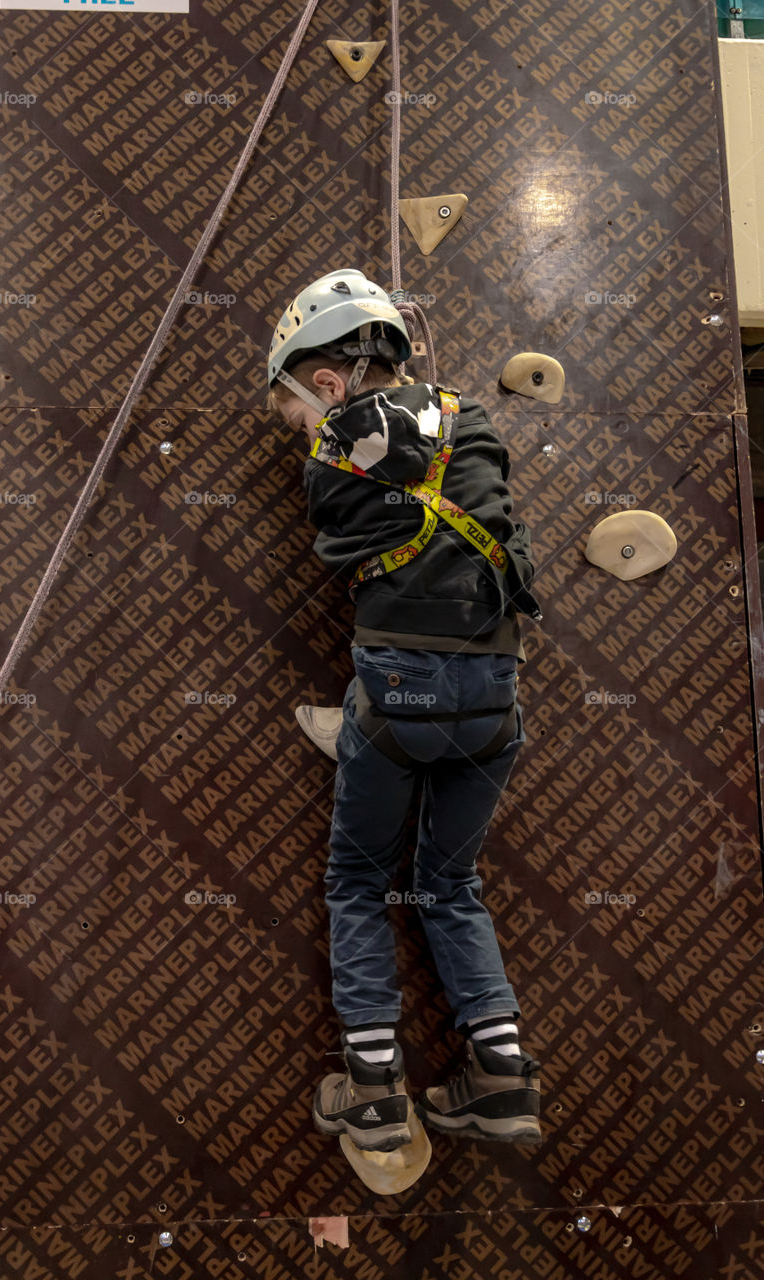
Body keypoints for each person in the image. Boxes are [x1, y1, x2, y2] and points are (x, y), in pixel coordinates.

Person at [266, 268, 544, 1151]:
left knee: (357, 883)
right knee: (449, 882)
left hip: (395, 694)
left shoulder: (332, 458)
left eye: (297, 414)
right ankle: (500, 1080)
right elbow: (499, 522)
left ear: (328, 381)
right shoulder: (478, 421)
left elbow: (339, 541)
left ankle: (377, 1088)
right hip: (493, 695)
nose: (300, 436)